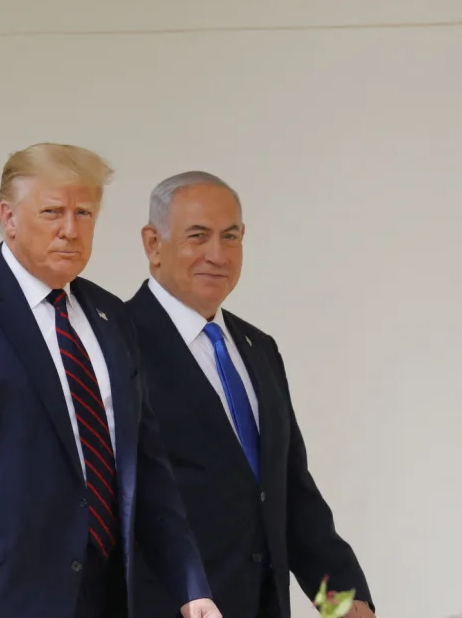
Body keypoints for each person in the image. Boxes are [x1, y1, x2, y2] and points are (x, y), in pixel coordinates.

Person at [0, 145, 222, 618]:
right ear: (8, 217)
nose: (70, 230)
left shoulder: (112, 318)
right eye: (52, 212)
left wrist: (190, 585)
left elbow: (145, 464)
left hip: (104, 599)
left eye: (84, 213)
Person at [127, 172, 375, 618]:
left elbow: (287, 491)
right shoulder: (115, 345)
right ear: (152, 243)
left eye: (231, 236)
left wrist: (339, 598)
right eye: (197, 236)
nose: (217, 255)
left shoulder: (257, 348)